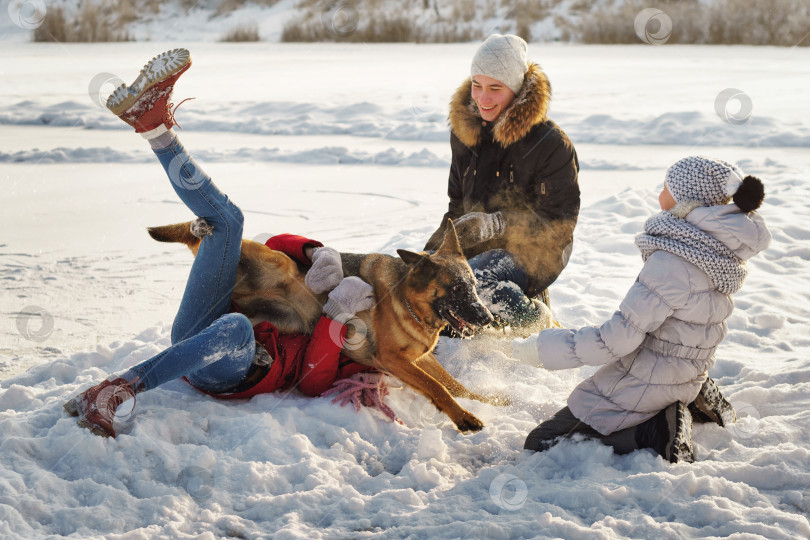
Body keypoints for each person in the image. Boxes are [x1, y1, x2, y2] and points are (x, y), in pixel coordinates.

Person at [64, 49, 376, 438]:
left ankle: (113, 391)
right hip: (206, 325)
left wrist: (336, 314)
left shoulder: (368, 346)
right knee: (228, 222)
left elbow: (313, 383)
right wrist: (316, 251)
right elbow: (273, 244)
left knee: (235, 327)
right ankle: (152, 125)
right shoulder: (362, 286)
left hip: (234, 369)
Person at [511, 156, 771, 462]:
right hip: (685, 371)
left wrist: (540, 348)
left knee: (541, 442)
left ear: (685, 201)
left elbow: (614, 341)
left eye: (665, 186)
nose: (660, 192)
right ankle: (695, 393)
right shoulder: (717, 253)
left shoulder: (673, 264)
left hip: (647, 380)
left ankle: (656, 430)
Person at [424, 34, 580, 328]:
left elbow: (558, 224)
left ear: (518, 90)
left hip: (539, 249)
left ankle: (538, 324)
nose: (483, 98)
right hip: (479, 249)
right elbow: (457, 207)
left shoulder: (550, 143)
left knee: (477, 281)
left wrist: (494, 224)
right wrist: (429, 255)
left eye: (495, 88)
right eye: (477, 85)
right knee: (425, 286)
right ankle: (489, 322)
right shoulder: (464, 135)